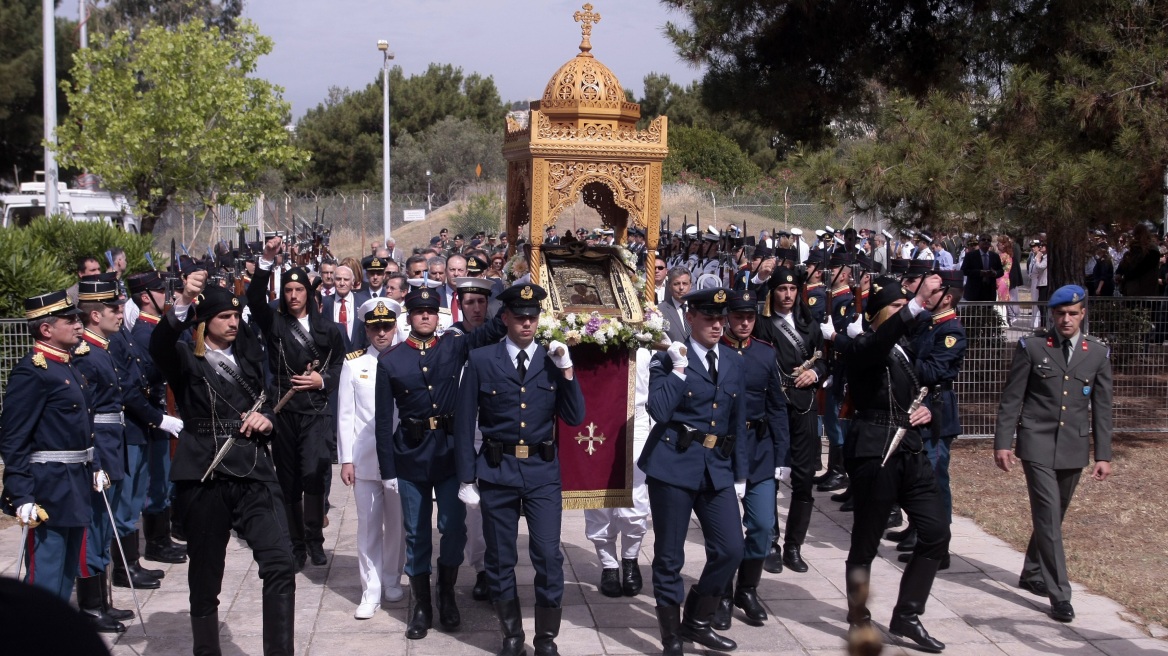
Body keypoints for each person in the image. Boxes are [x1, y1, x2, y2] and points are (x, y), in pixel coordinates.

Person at [150, 271, 295, 654]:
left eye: (235, 316)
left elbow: (271, 401)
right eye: (223, 318)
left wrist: (269, 421)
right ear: (204, 322)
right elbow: (160, 344)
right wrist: (182, 299)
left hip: (252, 470)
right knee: (205, 577)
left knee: (280, 563)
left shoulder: (249, 355)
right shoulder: (184, 356)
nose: (233, 323)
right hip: (204, 474)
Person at [452, 284, 584, 656]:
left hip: (542, 472)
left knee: (547, 554)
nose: (527, 323)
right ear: (505, 317)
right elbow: (465, 422)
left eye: (533, 317)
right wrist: (466, 477)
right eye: (520, 316)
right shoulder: (481, 360)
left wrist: (568, 370)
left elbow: (575, 417)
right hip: (498, 471)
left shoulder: (551, 358)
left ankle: (546, 640)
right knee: (500, 557)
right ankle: (512, 636)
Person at [375, 285, 506, 641]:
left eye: (431, 311)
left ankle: (446, 593)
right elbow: (384, 420)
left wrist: (506, 291)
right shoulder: (390, 360)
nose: (425, 316)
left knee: (454, 528)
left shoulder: (453, 345)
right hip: (411, 457)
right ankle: (422, 605)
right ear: (410, 317)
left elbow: (492, 329)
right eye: (419, 312)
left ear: (438, 315)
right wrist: (388, 472)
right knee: (416, 532)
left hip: (449, 454)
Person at [839, 274, 949, 653]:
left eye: (907, 307)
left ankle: (907, 615)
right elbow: (879, 342)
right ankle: (857, 615)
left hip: (910, 450)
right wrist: (917, 303)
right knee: (865, 542)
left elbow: (924, 388)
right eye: (897, 308)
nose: (906, 314)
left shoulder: (904, 348)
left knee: (936, 532)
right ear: (875, 315)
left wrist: (928, 411)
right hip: (875, 450)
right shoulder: (862, 346)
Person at [993, 285, 1112, 623]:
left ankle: (1032, 571)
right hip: (1037, 443)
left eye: (1073, 313)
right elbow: (1012, 399)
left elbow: (1102, 409)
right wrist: (1003, 442)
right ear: (1052, 314)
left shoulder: (1097, 353)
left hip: (1074, 445)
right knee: (1047, 514)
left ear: (1083, 314)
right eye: (1060, 313)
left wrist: (1103, 454)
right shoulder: (1033, 347)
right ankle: (1060, 593)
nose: (1066, 319)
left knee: (1053, 516)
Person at [640, 288, 748, 656]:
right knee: (670, 557)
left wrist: (741, 475)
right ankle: (672, 636)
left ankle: (698, 621)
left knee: (732, 548)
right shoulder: (669, 359)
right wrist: (681, 369)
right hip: (673, 464)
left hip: (716, 467)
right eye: (709, 318)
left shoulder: (733, 361)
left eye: (722, 319)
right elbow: (657, 409)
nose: (718, 325)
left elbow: (738, 420)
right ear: (691, 319)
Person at [248, 235, 346, 571]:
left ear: (309, 293)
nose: (292, 296)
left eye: (298, 290)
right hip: (283, 410)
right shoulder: (274, 323)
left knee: (314, 474)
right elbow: (253, 299)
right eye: (288, 291)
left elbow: (339, 366)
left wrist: (322, 380)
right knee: (288, 479)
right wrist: (265, 262)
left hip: (316, 412)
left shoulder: (328, 330)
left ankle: (314, 539)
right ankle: (295, 542)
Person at [0, 290, 91, 605]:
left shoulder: (66, 366)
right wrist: (21, 493)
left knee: (66, 573)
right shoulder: (33, 370)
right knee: (46, 575)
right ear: (46, 329)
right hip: (48, 487)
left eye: (78, 318)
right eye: (70, 320)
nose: (78, 325)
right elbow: (14, 437)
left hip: (73, 483)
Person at [713, 290, 789, 630]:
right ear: (727, 316)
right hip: (724, 450)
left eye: (750, 317)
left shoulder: (765, 354)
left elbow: (776, 406)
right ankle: (723, 594)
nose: (744, 322)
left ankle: (747, 589)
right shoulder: (715, 351)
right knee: (725, 533)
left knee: (761, 526)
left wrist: (781, 454)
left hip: (759, 449)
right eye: (738, 316)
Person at [72, 278, 141, 633]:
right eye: (115, 309)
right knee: (94, 528)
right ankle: (90, 606)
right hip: (100, 447)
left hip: (113, 443)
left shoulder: (103, 349)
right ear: (95, 315)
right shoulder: (87, 354)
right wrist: (95, 461)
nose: (121, 313)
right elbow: (85, 414)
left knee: (103, 525)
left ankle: (104, 602)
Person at [753, 267, 827, 575]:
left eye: (792, 289)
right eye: (781, 289)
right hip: (773, 408)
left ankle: (794, 546)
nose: (787, 295)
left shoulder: (809, 326)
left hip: (805, 406)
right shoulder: (763, 325)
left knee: (804, 477)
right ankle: (770, 541)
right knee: (769, 474)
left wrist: (817, 372)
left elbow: (825, 357)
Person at [338, 299, 407, 619]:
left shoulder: (407, 360)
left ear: (396, 327)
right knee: (367, 526)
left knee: (396, 525)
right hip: (365, 459)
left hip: (399, 457)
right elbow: (345, 415)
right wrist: (346, 459)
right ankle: (370, 588)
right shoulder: (354, 364)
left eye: (387, 326)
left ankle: (392, 578)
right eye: (375, 327)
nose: (382, 333)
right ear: (365, 329)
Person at [894, 269, 967, 565]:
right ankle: (919, 530)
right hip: (916, 405)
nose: (923, 296)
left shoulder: (951, 331)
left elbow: (933, 371)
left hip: (936, 409)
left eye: (931, 292)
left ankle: (939, 546)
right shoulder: (928, 322)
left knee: (935, 480)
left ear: (947, 298)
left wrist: (901, 356)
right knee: (916, 475)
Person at [445, 277, 498, 601]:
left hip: (497, 426)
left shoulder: (500, 332)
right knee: (474, 510)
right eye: (469, 303)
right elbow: (468, 345)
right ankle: (481, 569)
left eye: (481, 302)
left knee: (499, 508)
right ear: (460, 305)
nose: (476, 308)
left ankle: (496, 566)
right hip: (469, 429)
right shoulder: (453, 336)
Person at [583, 349, 651, 599]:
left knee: (635, 497)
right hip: (597, 419)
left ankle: (630, 560)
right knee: (599, 496)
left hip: (636, 419)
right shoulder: (585, 335)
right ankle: (609, 565)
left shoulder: (647, 338)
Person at [960, 234, 1004, 303]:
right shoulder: (970, 255)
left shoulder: (995, 256)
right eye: (983, 239)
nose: (986, 241)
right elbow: (964, 271)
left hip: (989, 293)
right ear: (979, 242)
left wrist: (995, 273)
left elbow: (1001, 271)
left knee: (988, 313)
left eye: (989, 240)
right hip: (974, 292)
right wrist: (979, 272)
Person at [660, 267, 692, 343]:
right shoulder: (660, 311)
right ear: (669, 286)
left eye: (685, 283)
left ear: (690, 285)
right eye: (676, 284)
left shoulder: (699, 308)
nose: (681, 287)